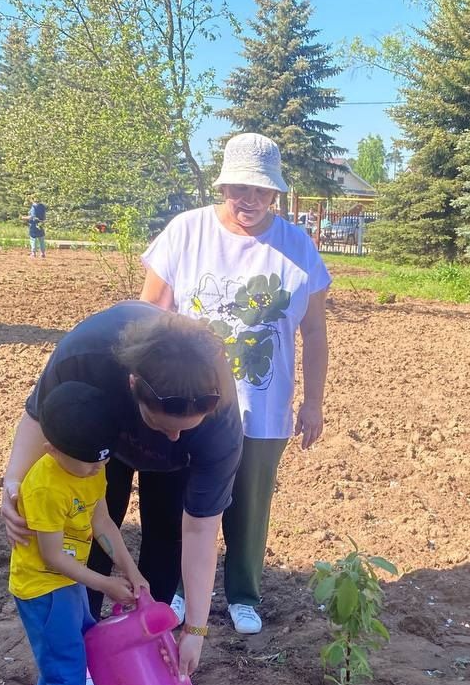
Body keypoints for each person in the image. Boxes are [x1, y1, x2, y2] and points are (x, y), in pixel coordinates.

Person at [140, 132, 330, 636]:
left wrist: (313, 402)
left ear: (275, 193)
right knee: (179, 496)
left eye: (262, 190)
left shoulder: (297, 245)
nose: (250, 199)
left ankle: (244, 594)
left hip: (263, 404)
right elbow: (149, 314)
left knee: (249, 503)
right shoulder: (187, 232)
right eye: (240, 188)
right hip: (188, 400)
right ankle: (178, 589)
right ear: (223, 186)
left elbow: (314, 331)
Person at [1, 301, 243, 678]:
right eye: (162, 425)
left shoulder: (220, 425)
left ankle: (149, 642)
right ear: (132, 384)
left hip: (175, 465)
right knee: (92, 524)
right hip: (99, 445)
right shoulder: (87, 356)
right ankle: (85, 645)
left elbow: (200, 529)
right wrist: (13, 480)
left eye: (186, 428)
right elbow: (38, 413)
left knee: (166, 533)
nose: (174, 436)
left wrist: (195, 630)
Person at [11, 380, 147, 685]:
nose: (95, 471)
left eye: (102, 462)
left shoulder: (93, 468)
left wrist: (131, 570)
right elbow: (52, 557)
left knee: (71, 649)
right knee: (68, 665)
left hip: (67, 582)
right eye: (87, 464)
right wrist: (104, 584)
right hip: (43, 587)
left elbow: (102, 522)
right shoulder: (44, 487)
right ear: (52, 449)